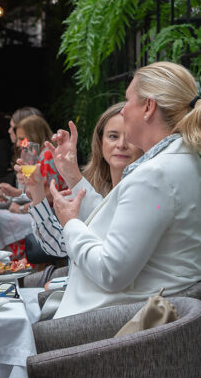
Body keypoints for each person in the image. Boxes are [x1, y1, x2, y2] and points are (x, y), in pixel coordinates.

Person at [48, 62, 201, 319]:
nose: (124, 109)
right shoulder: (183, 160)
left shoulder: (156, 175)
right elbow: (119, 224)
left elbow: (111, 272)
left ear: (148, 107)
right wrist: (73, 176)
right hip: (127, 314)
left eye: (128, 100)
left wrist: (70, 224)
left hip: (109, 322)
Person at [25, 102, 142, 259]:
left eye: (129, 136)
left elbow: (111, 260)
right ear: (100, 142)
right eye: (113, 136)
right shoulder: (95, 186)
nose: (121, 145)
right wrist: (37, 190)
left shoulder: (144, 192)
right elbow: (62, 245)